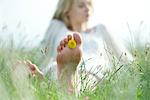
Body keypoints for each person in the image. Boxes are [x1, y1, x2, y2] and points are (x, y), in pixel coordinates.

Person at [26, 0, 133, 93]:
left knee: (89, 74)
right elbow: (41, 53)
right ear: (67, 11)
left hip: (92, 69)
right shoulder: (57, 28)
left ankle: (54, 84)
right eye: (81, 5)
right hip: (57, 67)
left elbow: (125, 58)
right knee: (57, 68)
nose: (87, 8)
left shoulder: (100, 30)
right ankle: (65, 82)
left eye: (89, 4)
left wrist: (137, 71)